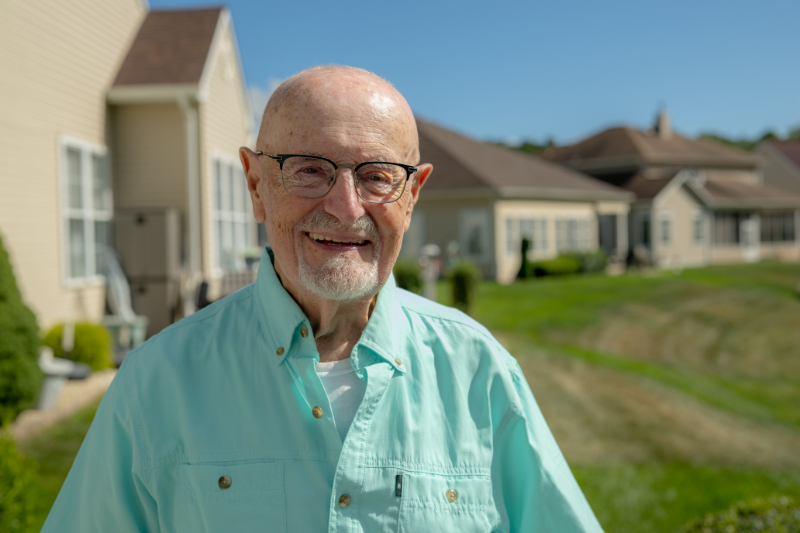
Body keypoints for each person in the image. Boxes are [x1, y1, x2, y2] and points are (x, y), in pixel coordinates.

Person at [43, 66, 603, 532]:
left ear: (412, 196)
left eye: (378, 176)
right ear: (257, 185)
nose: (345, 205)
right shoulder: (155, 385)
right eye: (309, 170)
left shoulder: (479, 373)